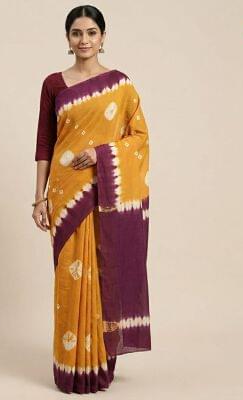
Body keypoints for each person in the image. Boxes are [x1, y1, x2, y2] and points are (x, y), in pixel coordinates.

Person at [32, 5, 151, 394]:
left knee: (103, 272)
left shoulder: (120, 85)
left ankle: (99, 363)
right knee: (70, 280)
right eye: (77, 33)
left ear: (103, 37)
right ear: (68, 39)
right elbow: (45, 143)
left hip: (104, 194)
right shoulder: (54, 84)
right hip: (66, 193)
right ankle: (71, 367)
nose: (84, 40)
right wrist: (38, 198)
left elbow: (139, 138)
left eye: (91, 32)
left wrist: (100, 154)